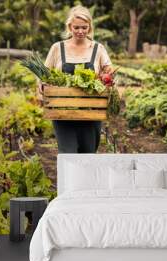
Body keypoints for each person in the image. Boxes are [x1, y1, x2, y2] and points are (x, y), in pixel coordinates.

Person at [37, 5, 113, 154]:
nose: (80, 31)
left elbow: (109, 71)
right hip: (63, 112)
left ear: (89, 27)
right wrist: (41, 86)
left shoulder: (98, 49)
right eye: (76, 27)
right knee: (68, 153)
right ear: (69, 27)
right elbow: (43, 75)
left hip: (91, 112)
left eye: (84, 28)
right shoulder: (58, 48)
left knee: (88, 154)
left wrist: (109, 78)